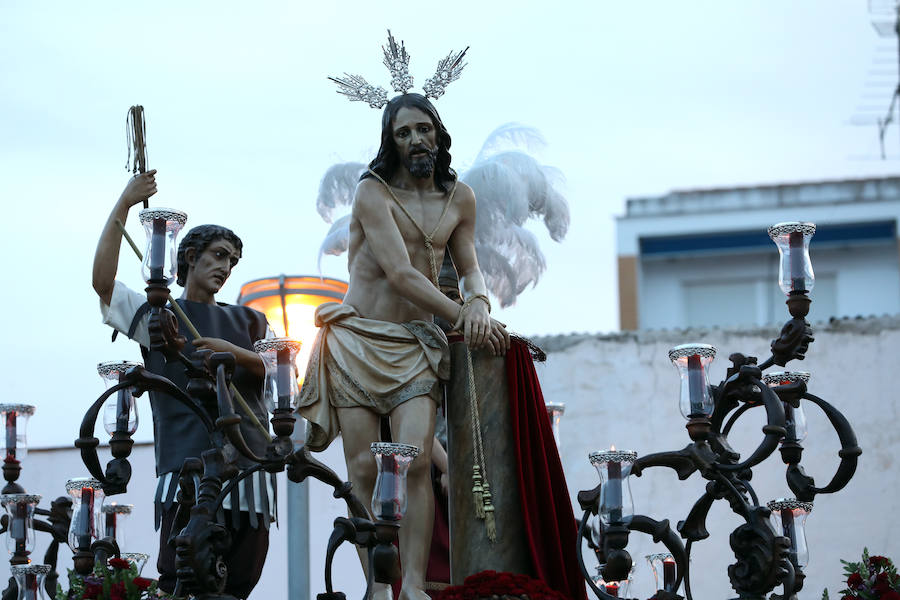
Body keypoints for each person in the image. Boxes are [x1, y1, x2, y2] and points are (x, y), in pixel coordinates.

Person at [298, 93, 510, 600]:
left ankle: (413, 585)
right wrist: (461, 312)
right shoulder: (372, 192)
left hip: (416, 344)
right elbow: (400, 273)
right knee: (366, 467)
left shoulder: (460, 198)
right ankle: (377, 583)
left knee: (414, 461)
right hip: (358, 341)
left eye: (423, 129)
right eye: (403, 133)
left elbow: (470, 266)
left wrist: (480, 302)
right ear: (390, 142)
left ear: (438, 132)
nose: (416, 140)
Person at [92, 170, 274, 599]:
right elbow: (102, 284)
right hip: (187, 474)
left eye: (232, 259)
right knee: (182, 580)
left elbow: (279, 370)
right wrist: (124, 202)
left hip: (250, 475)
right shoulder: (161, 313)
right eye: (218, 255)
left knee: (240, 585)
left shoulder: (251, 321)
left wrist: (227, 351)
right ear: (189, 255)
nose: (226, 267)